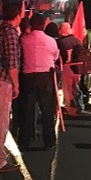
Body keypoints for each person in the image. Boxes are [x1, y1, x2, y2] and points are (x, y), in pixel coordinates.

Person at [0, 1, 22, 174]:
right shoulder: (10, 33)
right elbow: (12, 63)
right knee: (1, 122)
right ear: (18, 15)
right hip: (3, 82)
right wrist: (16, 85)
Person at [19, 13, 60, 150]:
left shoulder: (24, 40)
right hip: (45, 76)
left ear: (31, 25)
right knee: (47, 110)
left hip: (28, 76)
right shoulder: (51, 41)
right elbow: (55, 56)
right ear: (43, 25)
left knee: (27, 110)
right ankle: (49, 141)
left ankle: (24, 141)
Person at [57, 22, 82, 116]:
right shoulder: (77, 40)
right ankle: (79, 105)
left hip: (67, 66)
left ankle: (71, 109)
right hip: (78, 67)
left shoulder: (61, 42)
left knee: (67, 89)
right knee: (76, 87)